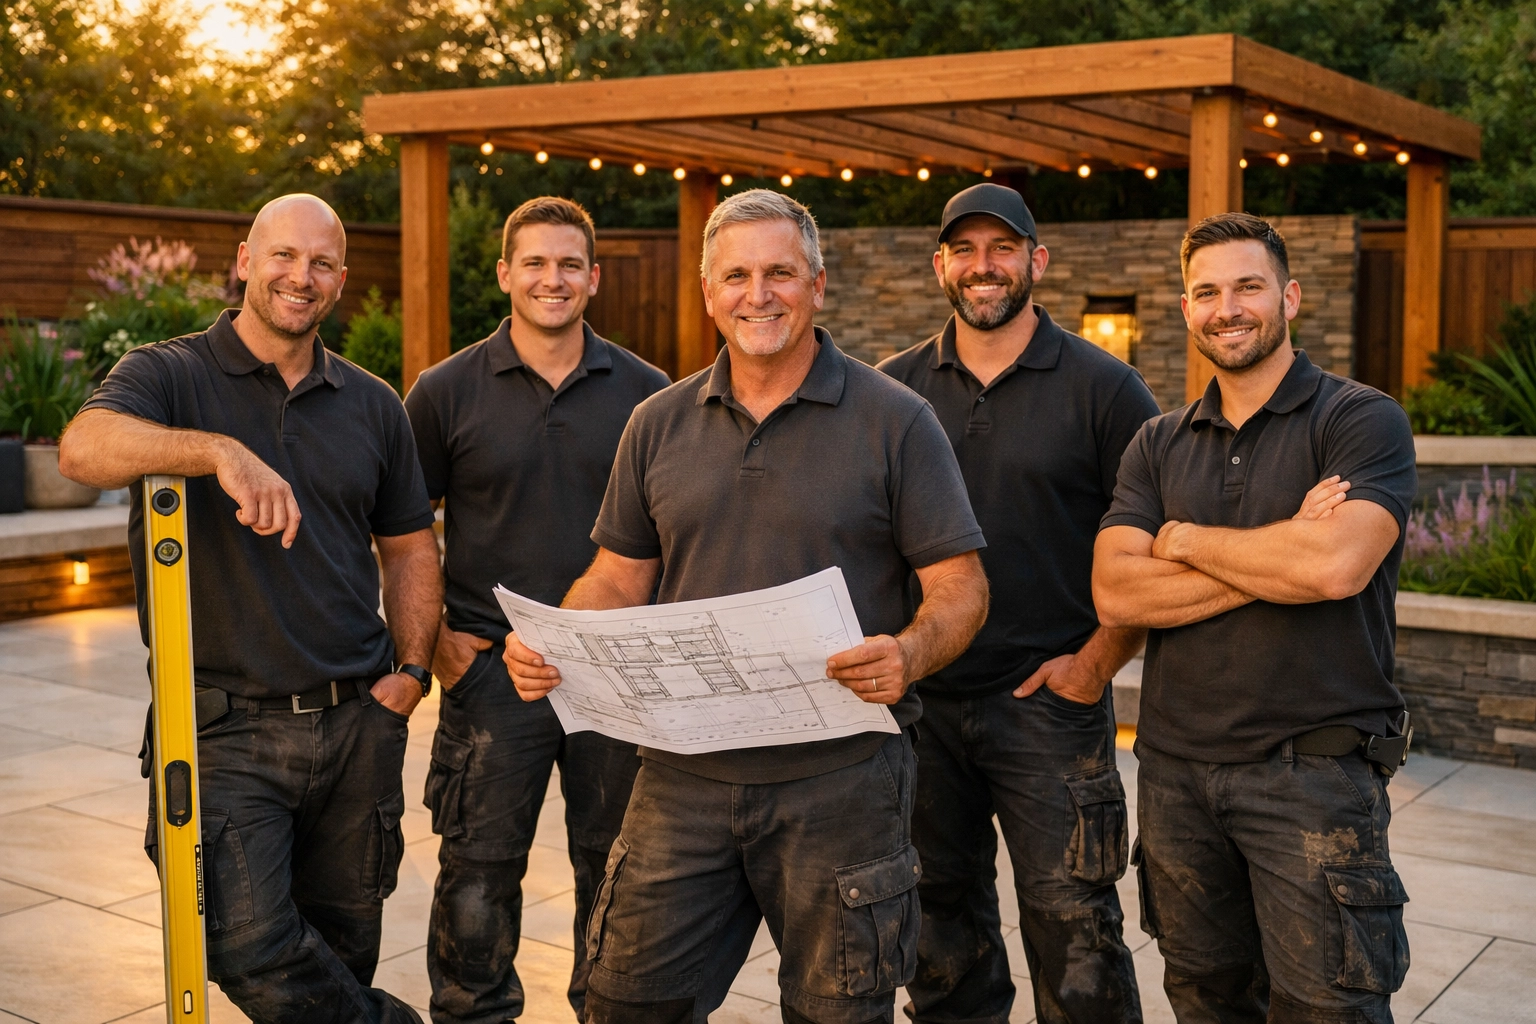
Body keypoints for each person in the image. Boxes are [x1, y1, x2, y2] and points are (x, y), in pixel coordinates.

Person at [503, 188, 991, 1024]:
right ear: (707, 293)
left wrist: (907, 653)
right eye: (736, 275)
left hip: (841, 781)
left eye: (779, 273)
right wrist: (561, 640)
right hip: (680, 775)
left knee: (839, 1012)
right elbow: (619, 574)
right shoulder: (656, 421)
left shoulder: (897, 420)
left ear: (817, 285)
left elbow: (961, 586)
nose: (757, 294)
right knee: (623, 1003)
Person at [59, 194, 440, 1024]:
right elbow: (83, 448)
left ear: (341, 278)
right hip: (221, 729)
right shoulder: (171, 373)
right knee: (242, 944)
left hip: (356, 723)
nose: (300, 277)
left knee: (339, 954)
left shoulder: (374, 402)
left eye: (322, 263)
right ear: (244, 259)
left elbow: (409, 546)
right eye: (283, 256)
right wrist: (219, 452)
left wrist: (412, 674)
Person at [1094, 212, 1416, 1024]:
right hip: (1175, 781)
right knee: (1206, 999)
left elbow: (1336, 567)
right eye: (1207, 291)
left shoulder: (1359, 420)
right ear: (1185, 307)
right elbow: (1117, 595)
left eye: (1248, 286)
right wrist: (1282, 556)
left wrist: (1185, 540)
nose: (1227, 307)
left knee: (1328, 1007)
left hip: (1313, 780)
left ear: (1290, 297)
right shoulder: (1158, 443)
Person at [879, 182, 1156, 1024]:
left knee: (1078, 937)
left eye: (1002, 249)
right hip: (926, 711)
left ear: (1037, 261)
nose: (983, 266)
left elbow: (1153, 544)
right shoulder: (892, 391)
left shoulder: (1107, 390)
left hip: (1049, 708)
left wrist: (1096, 664)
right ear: (940, 265)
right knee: (938, 936)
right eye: (964, 250)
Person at [404, 196, 670, 1023]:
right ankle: (472, 1014)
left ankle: (606, 1011)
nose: (551, 279)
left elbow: (671, 535)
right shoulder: (444, 392)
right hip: (491, 678)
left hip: (612, 678)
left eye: (568, 265)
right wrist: (439, 640)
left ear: (593, 278)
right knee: (478, 869)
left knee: (615, 868)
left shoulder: (649, 394)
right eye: (534, 263)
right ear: (504, 275)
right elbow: (401, 530)